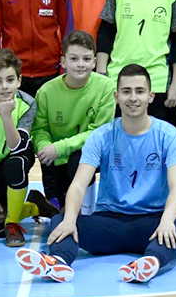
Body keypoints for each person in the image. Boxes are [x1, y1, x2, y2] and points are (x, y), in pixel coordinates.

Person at [14, 64, 176, 284]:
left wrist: (166, 220)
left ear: (150, 96)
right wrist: (71, 219)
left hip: (152, 222)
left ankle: (150, 262)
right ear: (117, 96)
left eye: (139, 91)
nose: (133, 98)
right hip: (110, 222)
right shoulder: (101, 136)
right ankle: (58, 262)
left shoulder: (169, 135)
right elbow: (79, 185)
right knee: (61, 219)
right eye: (126, 91)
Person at [0, 50, 56, 247]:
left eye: (10, 80)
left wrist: (6, 116)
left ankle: (13, 223)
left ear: (19, 81)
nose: (5, 87)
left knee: (16, 164)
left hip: (16, 157)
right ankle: (33, 207)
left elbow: (17, 146)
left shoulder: (28, 104)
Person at [32, 31, 116, 209]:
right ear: (63, 62)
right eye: (74, 59)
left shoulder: (106, 87)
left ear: (94, 62)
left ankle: (86, 209)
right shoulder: (46, 92)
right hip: (56, 157)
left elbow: (99, 132)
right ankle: (55, 203)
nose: (81, 65)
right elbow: (39, 130)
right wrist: (44, 148)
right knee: (47, 158)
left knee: (78, 159)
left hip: (88, 152)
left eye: (86, 59)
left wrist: (60, 148)